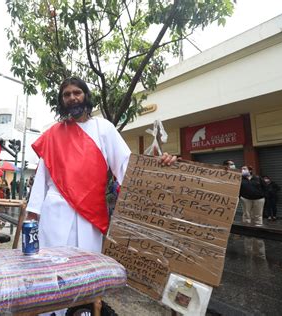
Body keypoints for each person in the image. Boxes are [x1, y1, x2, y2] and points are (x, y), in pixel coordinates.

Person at [27, 77, 176, 254]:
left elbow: (126, 165)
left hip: (91, 215)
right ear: (62, 101)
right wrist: (32, 213)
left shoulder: (104, 128)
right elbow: (42, 178)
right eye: (66, 95)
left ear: (86, 96)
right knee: (52, 268)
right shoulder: (53, 134)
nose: (72, 97)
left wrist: (158, 166)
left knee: (88, 271)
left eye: (77, 92)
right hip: (55, 213)